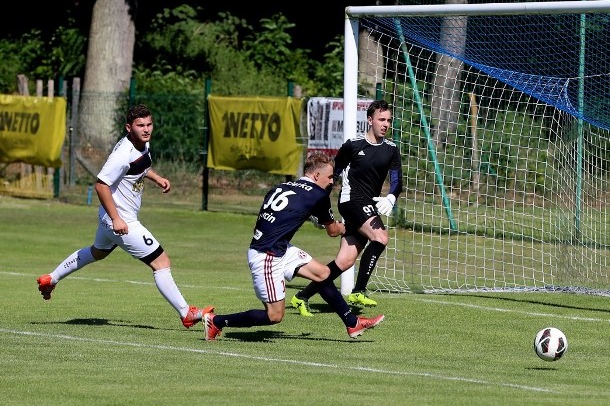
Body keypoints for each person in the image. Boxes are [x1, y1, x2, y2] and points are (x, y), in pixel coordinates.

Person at [36, 104, 213, 329]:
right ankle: (186, 312)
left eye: (149, 124)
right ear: (129, 127)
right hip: (122, 221)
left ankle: (51, 278)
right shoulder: (122, 153)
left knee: (97, 252)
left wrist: (156, 178)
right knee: (161, 262)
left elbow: (139, 167)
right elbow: (101, 186)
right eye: (140, 126)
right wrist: (117, 219)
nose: (146, 129)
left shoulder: (142, 143)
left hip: (110, 218)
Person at [203, 152, 385, 341]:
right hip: (267, 255)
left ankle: (352, 323)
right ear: (316, 176)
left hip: (277, 247)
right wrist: (351, 227)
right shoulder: (318, 194)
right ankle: (216, 321)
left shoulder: (281, 186)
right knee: (275, 316)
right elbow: (333, 231)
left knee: (322, 273)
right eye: (330, 177)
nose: (332, 181)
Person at [290, 99, 403, 316]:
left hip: (369, 205)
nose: (385, 124)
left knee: (345, 261)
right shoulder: (353, 145)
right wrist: (317, 206)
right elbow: (331, 177)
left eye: (389, 120)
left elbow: (397, 180)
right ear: (369, 120)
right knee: (380, 238)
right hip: (351, 201)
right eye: (381, 119)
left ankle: (301, 296)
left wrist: (390, 197)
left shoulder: (391, 149)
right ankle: (358, 290)